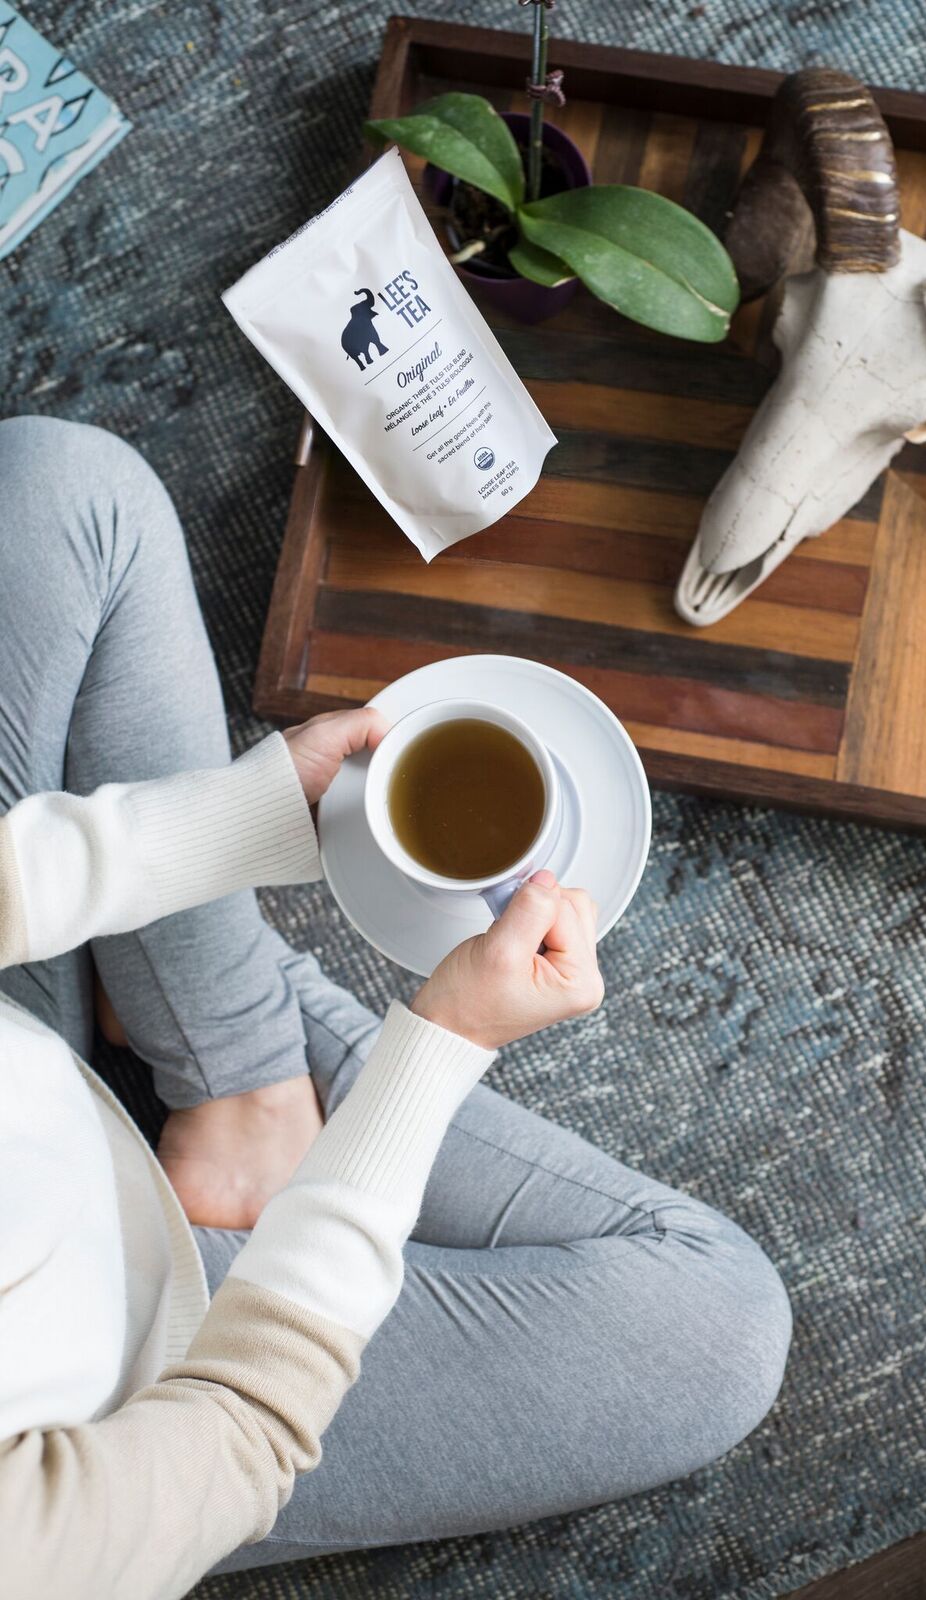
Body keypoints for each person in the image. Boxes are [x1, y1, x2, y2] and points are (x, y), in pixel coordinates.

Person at [0, 417, 792, 1598]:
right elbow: (241, 1431)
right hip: (142, 1370)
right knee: (713, 1327)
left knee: (67, 492)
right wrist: (440, 1047)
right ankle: (214, 1020)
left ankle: (230, 1061)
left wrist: (242, 817)